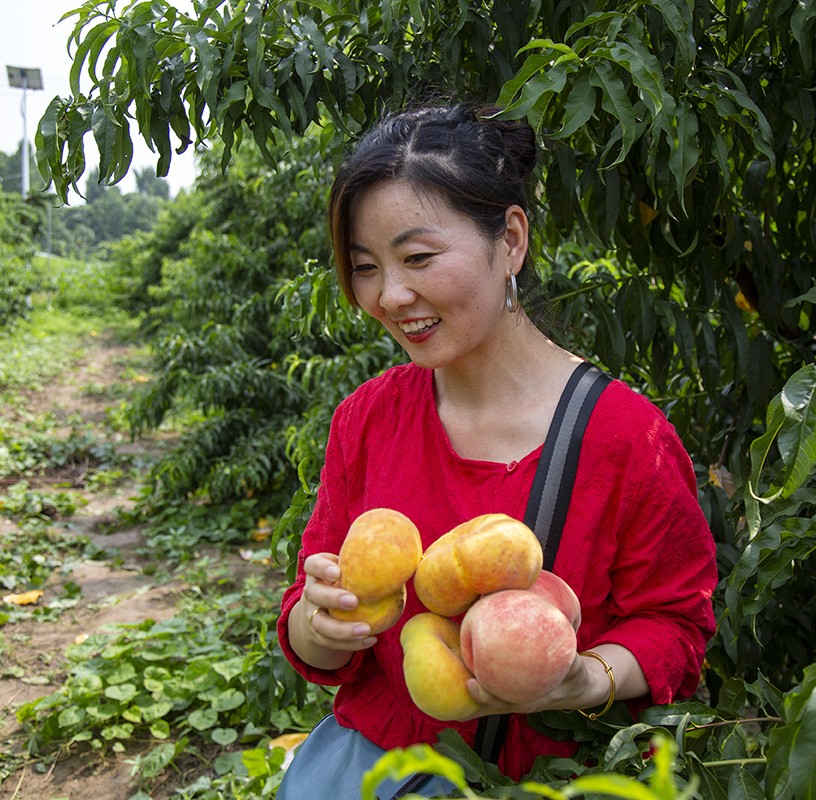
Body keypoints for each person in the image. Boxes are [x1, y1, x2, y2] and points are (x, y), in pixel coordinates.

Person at [275, 103, 717, 799]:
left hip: (547, 782)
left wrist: (581, 679)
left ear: (510, 239)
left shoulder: (625, 438)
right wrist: (318, 620)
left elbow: (676, 626)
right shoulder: (367, 420)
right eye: (365, 267)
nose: (390, 295)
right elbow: (314, 632)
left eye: (418, 257)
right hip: (373, 772)